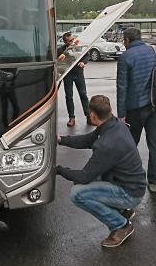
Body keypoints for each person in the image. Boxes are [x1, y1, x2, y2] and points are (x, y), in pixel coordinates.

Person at [56, 95, 146, 248]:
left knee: (77, 193)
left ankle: (121, 225)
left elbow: (85, 177)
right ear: (110, 110)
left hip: (130, 193)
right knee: (80, 180)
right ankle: (123, 211)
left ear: (92, 115)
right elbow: (88, 140)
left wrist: (58, 170)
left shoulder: (107, 144)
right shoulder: (114, 124)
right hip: (132, 184)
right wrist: (61, 140)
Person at [117, 27, 156, 193]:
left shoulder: (126, 57)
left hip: (135, 109)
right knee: (154, 145)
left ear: (127, 40)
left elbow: (122, 87)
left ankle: (131, 178)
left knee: (131, 145)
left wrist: (121, 114)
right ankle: (154, 181)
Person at [57, 32, 90, 127]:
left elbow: (87, 56)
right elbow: (57, 62)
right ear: (65, 41)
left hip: (79, 73)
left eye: (73, 39)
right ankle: (71, 118)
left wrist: (83, 62)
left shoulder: (79, 47)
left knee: (83, 94)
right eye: (69, 41)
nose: (72, 42)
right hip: (67, 75)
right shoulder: (61, 50)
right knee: (69, 96)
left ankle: (88, 116)